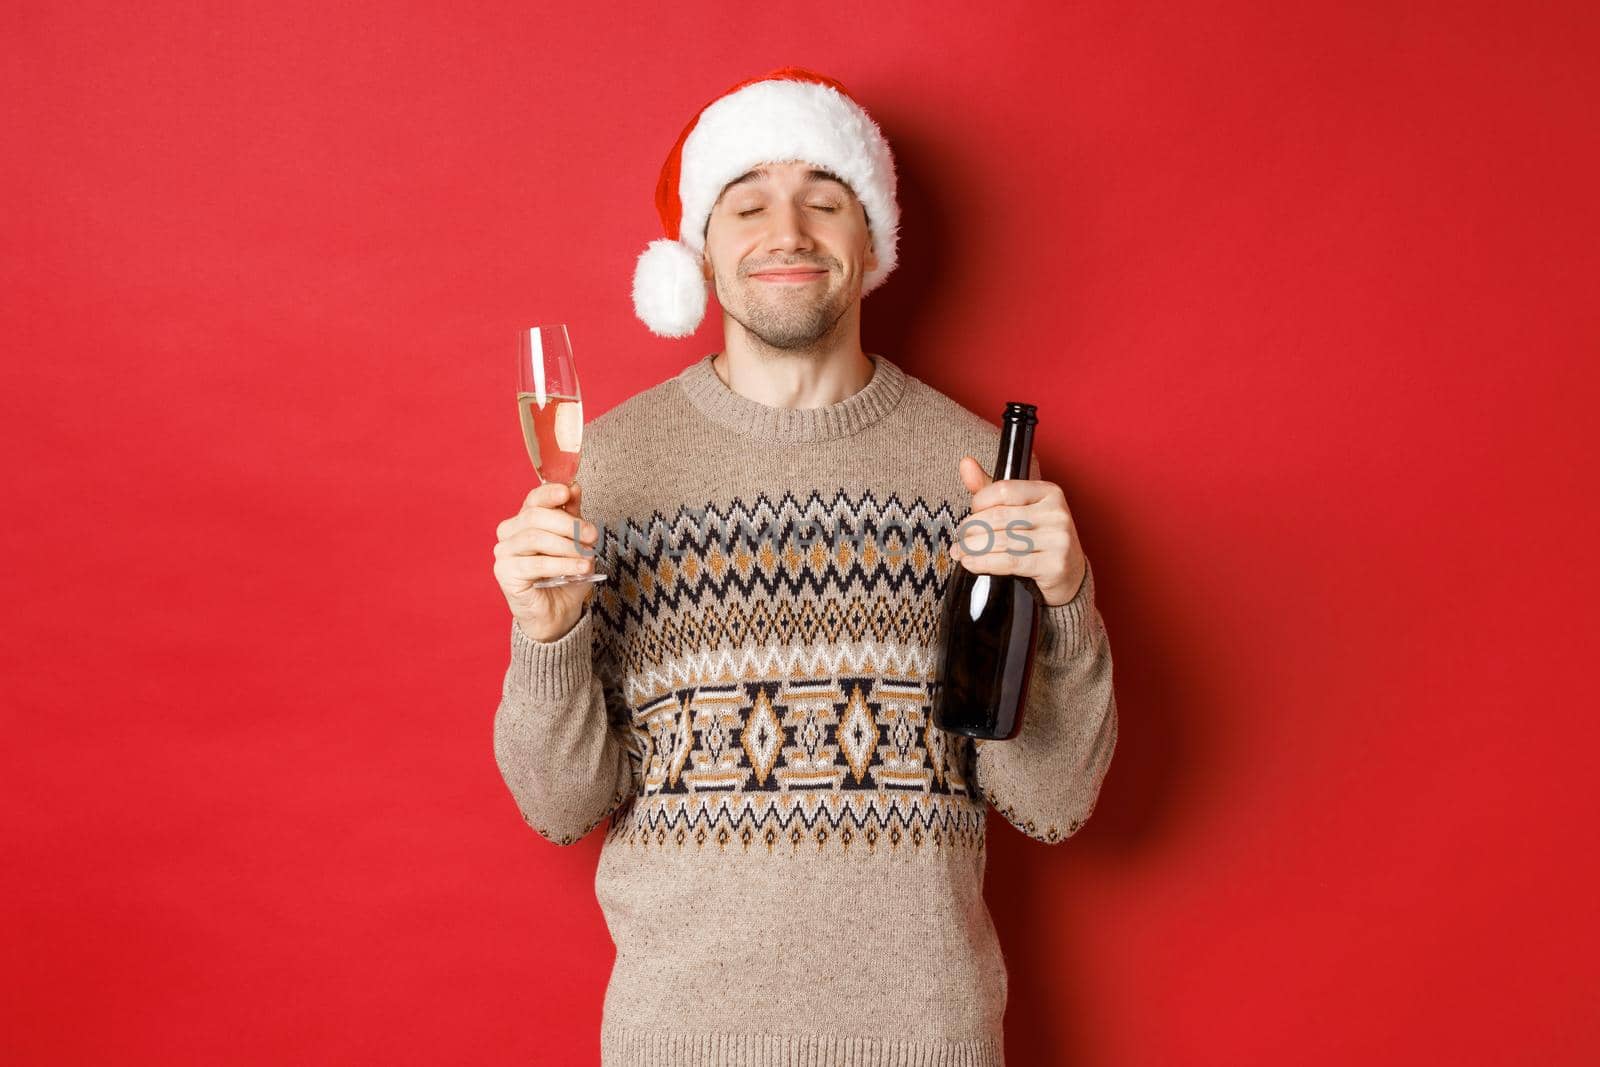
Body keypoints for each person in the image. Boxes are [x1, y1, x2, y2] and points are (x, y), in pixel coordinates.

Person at [490, 66, 1117, 1066]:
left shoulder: (975, 471)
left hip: (927, 1042)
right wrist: (547, 637)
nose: (787, 231)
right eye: (746, 204)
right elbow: (559, 804)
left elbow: (1052, 798)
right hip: (679, 1043)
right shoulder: (605, 467)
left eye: (825, 200)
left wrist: (1067, 599)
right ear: (699, 249)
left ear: (871, 241)